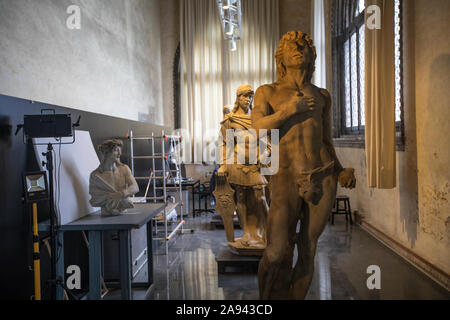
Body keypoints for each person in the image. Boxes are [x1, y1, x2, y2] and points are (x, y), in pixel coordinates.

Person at [252, 31, 356, 299]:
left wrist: (340, 168)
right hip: (285, 176)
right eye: (290, 45)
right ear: (281, 57)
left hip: (322, 176)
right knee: (275, 252)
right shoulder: (268, 92)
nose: (298, 48)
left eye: (304, 45)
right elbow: (257, 128)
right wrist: (289, 110)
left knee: (308, 248)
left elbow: (326, 139)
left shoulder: (322, 95)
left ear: (312, 55)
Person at [217, 84, 269, 251]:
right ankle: (246, 233)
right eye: (244, 96)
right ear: (237, 98)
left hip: (255, 166)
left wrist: (265, 155)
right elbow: (224, 144)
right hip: (237, 165)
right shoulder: (230, 120)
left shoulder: (257, 119)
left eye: (250, 96)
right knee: (240, 199)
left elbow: (268, 142)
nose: (248, 99)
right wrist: (223, 165)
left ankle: (267, 232)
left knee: (260, 198)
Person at [89, 139, 139, 216]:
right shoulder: (96, 176)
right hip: (106, 212)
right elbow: (95, 200)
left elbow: (135, 187)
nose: (120, 153)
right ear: (106, 153)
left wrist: (120, 194)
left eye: (120, 150)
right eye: (116, 150)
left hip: (123, 211)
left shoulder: (124, 168)